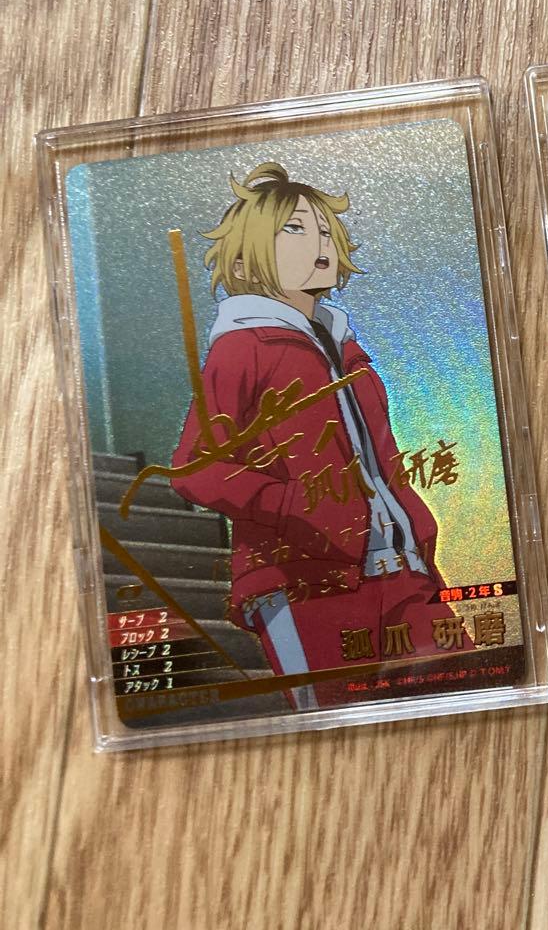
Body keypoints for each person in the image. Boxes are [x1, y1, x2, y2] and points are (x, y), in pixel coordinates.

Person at [171, 162, 470, 706]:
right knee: (341, 728)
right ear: (245, 257)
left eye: (326, 230)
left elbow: (382, 461)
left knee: (469, 692)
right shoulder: (242, 347)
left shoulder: (347, 349)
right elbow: (196, 467)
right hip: (302, 580)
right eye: (295, 229)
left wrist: (417, 532)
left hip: (403, 570)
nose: (320, 243)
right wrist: (293, 505)